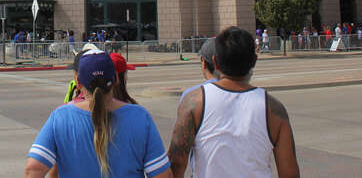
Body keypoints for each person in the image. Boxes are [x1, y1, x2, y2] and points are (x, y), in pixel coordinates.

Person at [167, 27, 299, 178]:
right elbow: (290, 173)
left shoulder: (194, 102)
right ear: (254, 61)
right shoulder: (273, 109)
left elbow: (176, 164)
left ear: (215, 62)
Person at [26, 50, 172, 177]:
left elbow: (33, 170)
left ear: (78, 82)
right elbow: (161, 174)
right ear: (115, 78)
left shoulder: (60, 117)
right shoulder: (140, 117)